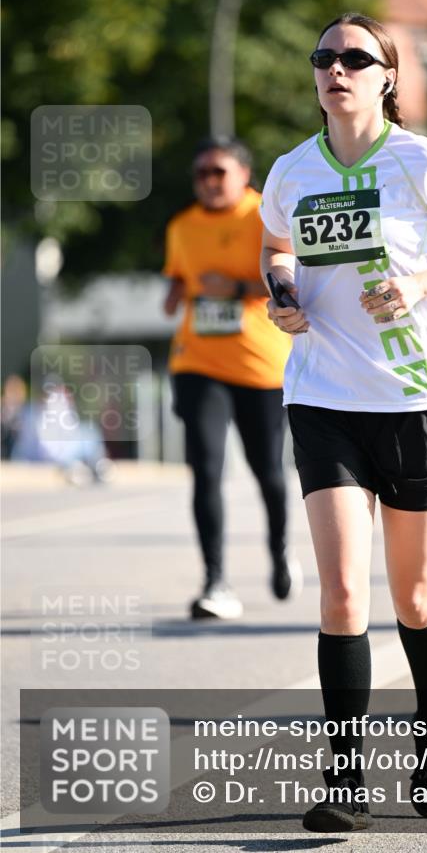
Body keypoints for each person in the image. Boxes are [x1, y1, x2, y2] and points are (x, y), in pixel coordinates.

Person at [260, 13, 427, 831]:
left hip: (415, 401)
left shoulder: (421, 161)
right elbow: (277, 247)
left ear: (385, 76)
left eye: (354, 58)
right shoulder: (293, 170)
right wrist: (283, 293)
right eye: (324, 57)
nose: (336, 69)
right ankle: (345, 783)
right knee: (339, 593)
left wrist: (423, 283)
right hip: (324, 396)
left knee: (414, 594)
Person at [163, 136, 297, 621]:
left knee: (267, 472)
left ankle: (280, 549)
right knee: (205, 470)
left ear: (244, 174)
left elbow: (292, 274)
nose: (209, 182)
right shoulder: (181, 226)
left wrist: (238, 286)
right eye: (202, 174)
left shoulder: (267, 215)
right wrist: (176, 291)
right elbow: (181, 273)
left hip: (259, 364)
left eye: (219, 173)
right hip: (197, 361)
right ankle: (215, 580)